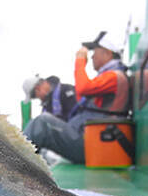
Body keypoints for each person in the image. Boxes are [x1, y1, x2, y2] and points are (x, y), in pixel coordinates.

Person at [24, 31, 127, 164]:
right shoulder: (109, 77)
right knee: (42, 126)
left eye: (94, 52)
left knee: (42, 123)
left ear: (107, 53)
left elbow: (83, 88)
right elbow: (82, 95)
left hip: (95, 145)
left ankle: (9, 165)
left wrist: (80, 60)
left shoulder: (114, 77)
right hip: (94, 142)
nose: (92, 57)